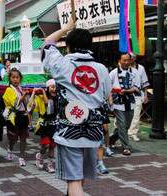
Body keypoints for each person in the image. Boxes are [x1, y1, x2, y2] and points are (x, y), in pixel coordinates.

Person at [41, 19, 112, 195]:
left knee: (73, 181)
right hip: (94, 132)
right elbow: (105, 96)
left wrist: (65, 28)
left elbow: (47, 44)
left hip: (69, 132)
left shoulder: (61, 64)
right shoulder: (102, 69)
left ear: (68, 47)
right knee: (80, 178)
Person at [109, 52, 140, 156]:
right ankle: (126, 147)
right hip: (118, 102)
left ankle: (110, 140)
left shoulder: (135, 72)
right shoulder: (113, 72)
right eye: (124, 60)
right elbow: (109, 86)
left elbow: (136, 87)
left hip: (130, 101)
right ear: (120, 61)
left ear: (131, 61)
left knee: (126, 125)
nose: (126, 62)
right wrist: (116, 90)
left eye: (128, 60)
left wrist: (126, 91)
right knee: (122, 124)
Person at [27, 79, 57, 173]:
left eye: (56, 87)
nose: (54, 89)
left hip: (54, 124)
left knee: (52, 146)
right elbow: (30, 105)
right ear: (47, 88)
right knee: (46, 144)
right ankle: (40, 155)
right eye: (52, 87)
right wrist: (34, 92)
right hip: (44, 125)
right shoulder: (40, 98)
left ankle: (50, 165)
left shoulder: (58, 98)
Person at [3, 68, 30, 166]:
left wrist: (27, 96)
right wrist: (24, 96)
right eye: (13, 77)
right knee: (14, 138)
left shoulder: (21, 90)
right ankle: (10, 148)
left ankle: (21, 157)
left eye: (17, 78)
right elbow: (15, 104)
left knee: (23, 138)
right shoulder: (9, 90)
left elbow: (27, 105)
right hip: (13, 116)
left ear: (20, 79)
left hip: (22, 116)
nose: (15, 80)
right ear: (9, 79)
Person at [127, 52, 150, 141]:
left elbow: (144, 82)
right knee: (123, 115)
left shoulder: (140, 68)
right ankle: (120, 131)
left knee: (136, 115)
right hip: (125, 94)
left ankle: (133, 132)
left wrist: (146, 95)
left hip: (137, 94)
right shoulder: (125, 68)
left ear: (135, 58)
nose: (129, 59)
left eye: (131, 57)